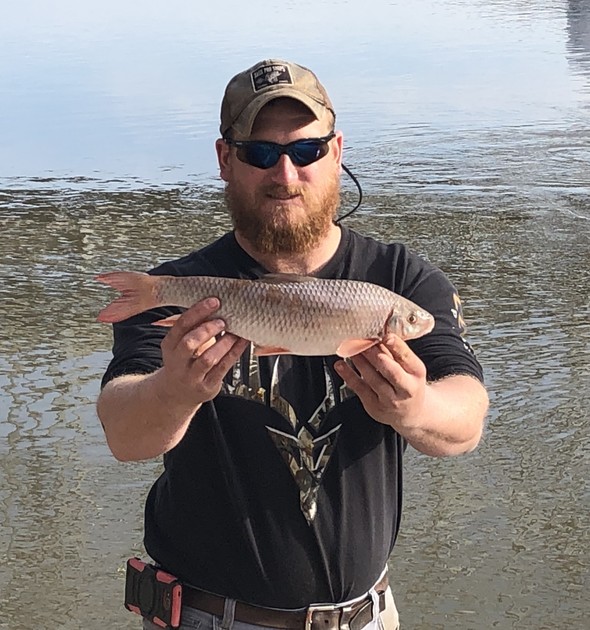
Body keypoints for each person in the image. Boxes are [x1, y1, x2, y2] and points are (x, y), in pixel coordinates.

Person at [97, 59, 489, 630]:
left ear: (335, 152)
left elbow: (466, 418)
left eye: (305, 152)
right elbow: (123, 432)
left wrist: (415, 405)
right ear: (225, 160)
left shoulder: (399, 279)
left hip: (366, 618)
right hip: (209, 617)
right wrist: (173, 391)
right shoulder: (179, 289)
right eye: (260, 153)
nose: (285, 173)